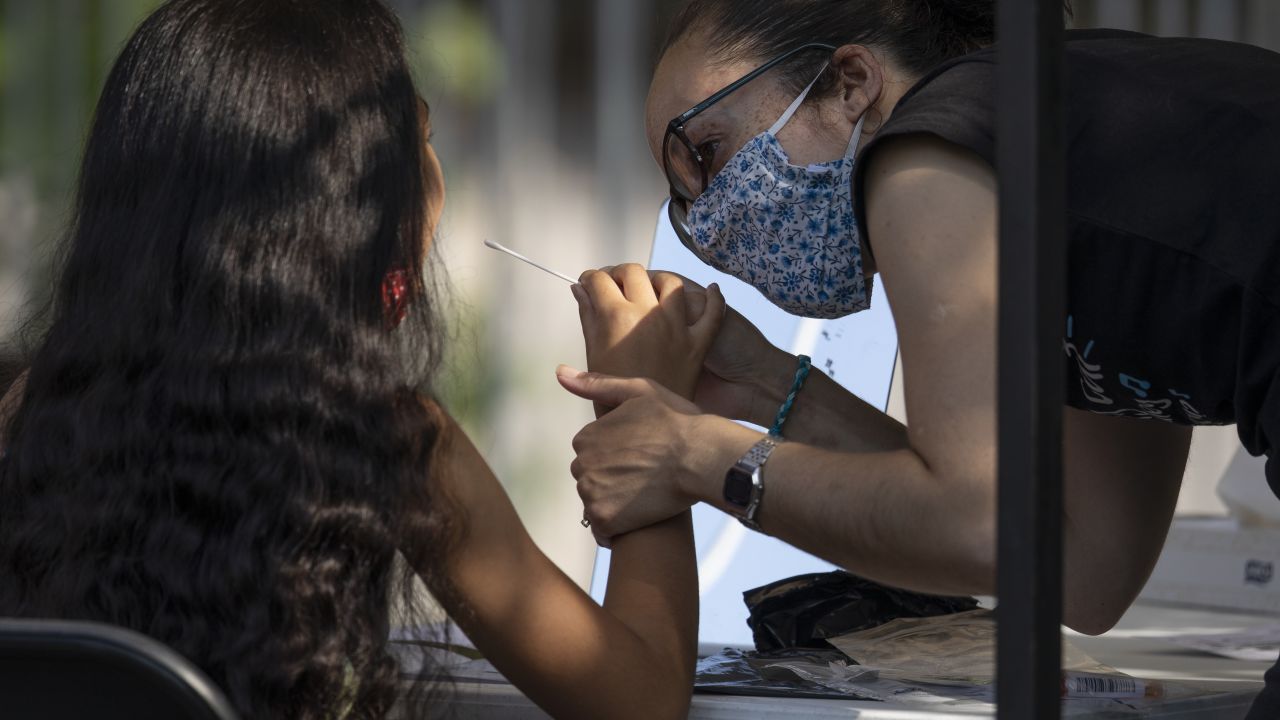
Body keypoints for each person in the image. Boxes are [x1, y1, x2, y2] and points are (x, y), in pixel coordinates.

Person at [0, 1, 723, 718]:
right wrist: (648, 413)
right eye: (421, 140)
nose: (434, 182)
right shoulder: (388, 436)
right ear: (343, 213)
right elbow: (640, 699)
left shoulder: (30, 409)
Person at [560, 0, 1280, 714]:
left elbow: (976, 519)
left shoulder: (929, 150)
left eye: (706, 152)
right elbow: (1080, 565)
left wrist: (693, 456)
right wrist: (766, 384)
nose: (709, 219)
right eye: (683, 199)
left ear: (850, 83)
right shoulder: (1043, 152)